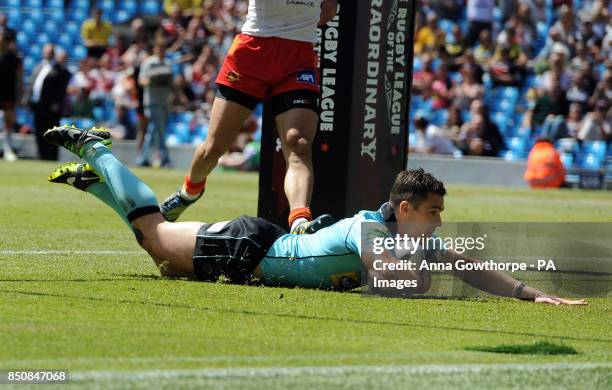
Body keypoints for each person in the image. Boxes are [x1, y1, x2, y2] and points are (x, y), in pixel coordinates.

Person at [42, 124, 586, 306]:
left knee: (158, 257)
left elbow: (467, 265)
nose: (440, 222)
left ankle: (96, 185)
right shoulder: (374, 231)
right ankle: (99, 151)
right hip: (248, 246)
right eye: (435, 212)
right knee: (156, 237)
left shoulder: (403, 236)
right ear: (404, 209)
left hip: (253, 258)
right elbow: (396, 281)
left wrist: (530, 294)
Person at [160, 0, 339, 235]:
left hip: (298, 57)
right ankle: (189, 192)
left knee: (298, 142)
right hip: (252, 53)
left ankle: (299, 221)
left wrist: (297, 21)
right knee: (214, 148)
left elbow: (328, 10)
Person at [27, 44, 70, 161]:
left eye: (50, 51)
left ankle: (51, 157)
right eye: (46, 51)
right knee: (39, 131)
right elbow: (33, 84)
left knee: (51, 132)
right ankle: (41, 155)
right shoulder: (39, 67)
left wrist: (57, 102)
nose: (48, 54)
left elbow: (61, 89)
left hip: (51, 107)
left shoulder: (60, 70)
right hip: (37, 105)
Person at [136, 39, 174, 167]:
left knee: (153, 131)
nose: (162, 51)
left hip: (164, 102)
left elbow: (171, 82)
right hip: (152, 102)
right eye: (160, 48)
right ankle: (165, 158)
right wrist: (154, 80)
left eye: (164, 48)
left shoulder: (168, 63)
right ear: (155, 49)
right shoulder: (149, 63)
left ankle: (143, 158)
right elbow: (142, 81)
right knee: (160, 130)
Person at [0, 29, 21, 162]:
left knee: (8, 121)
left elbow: (19, 78)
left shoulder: (14, 58)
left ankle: (8, 149)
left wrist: (20, 95)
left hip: (8, 94)